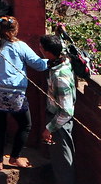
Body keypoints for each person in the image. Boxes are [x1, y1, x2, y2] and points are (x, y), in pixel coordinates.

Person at [0, 16, 48, 171]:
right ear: (15, 30)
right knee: (25, 124)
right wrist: (53, 59)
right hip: (15, 93)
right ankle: (14, 157)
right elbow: (39, 65)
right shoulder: (20, 46)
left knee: (0, 125)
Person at [40, 34, 77, 184]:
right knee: (58, 160)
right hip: (56, 119)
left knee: (63, 163)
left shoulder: (60, 77)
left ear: (48, 52)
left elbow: (67, 111)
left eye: (41, 47)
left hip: (59, 123)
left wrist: (50, 128)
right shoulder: (64, 60)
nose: (40, 49)